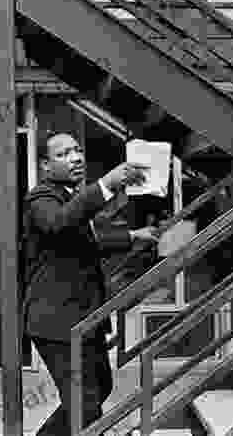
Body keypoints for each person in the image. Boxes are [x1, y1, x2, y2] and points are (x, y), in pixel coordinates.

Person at [22, 132, 160, 436]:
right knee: (84, 403)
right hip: (56, 322)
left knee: (98, 389)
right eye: (63, 154)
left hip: (84, 318)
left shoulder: (70, 197)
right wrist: (107, 184)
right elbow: (59, 224)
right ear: (45, 165)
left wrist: (132, 236)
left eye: (77, 150)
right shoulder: (41, 199)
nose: (76, 158)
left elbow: (86, 242)